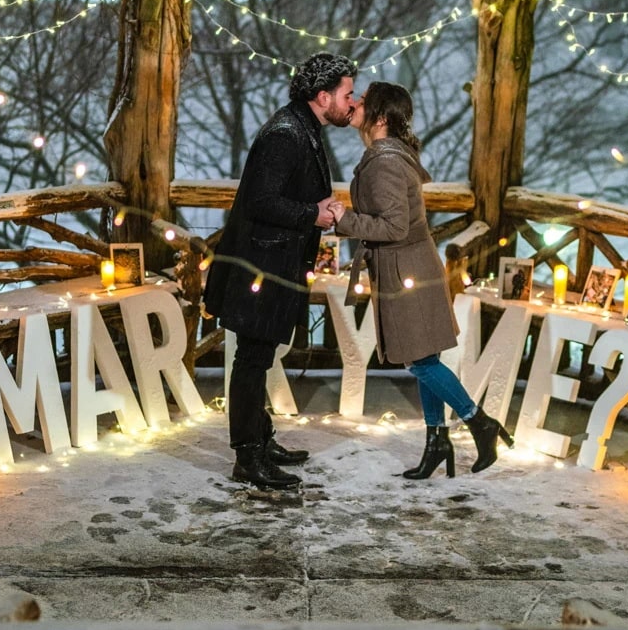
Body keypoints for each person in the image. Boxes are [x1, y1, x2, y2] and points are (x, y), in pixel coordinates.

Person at [329, 82, 513, 479]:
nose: (355, 103)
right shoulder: (388, 155)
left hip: (404, 268)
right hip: (410, 265)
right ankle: (437, 441)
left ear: (380, 118)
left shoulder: (386, 161)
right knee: (425, 358)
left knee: (419, 361)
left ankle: (478, 421)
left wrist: (341, 219)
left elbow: (394, 225)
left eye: (363, 100)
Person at [203, 53, 357, 490]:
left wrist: (316, 207)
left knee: (259, 357)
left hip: (272, 264)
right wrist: (313, 214)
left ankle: (261, 438)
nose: (353, 102)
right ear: (322, 96)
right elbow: (261, 202)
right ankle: (247, 458)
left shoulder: (300, 126)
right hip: (260, 267)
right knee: (251, 360)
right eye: (347, 94)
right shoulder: (285, 136)